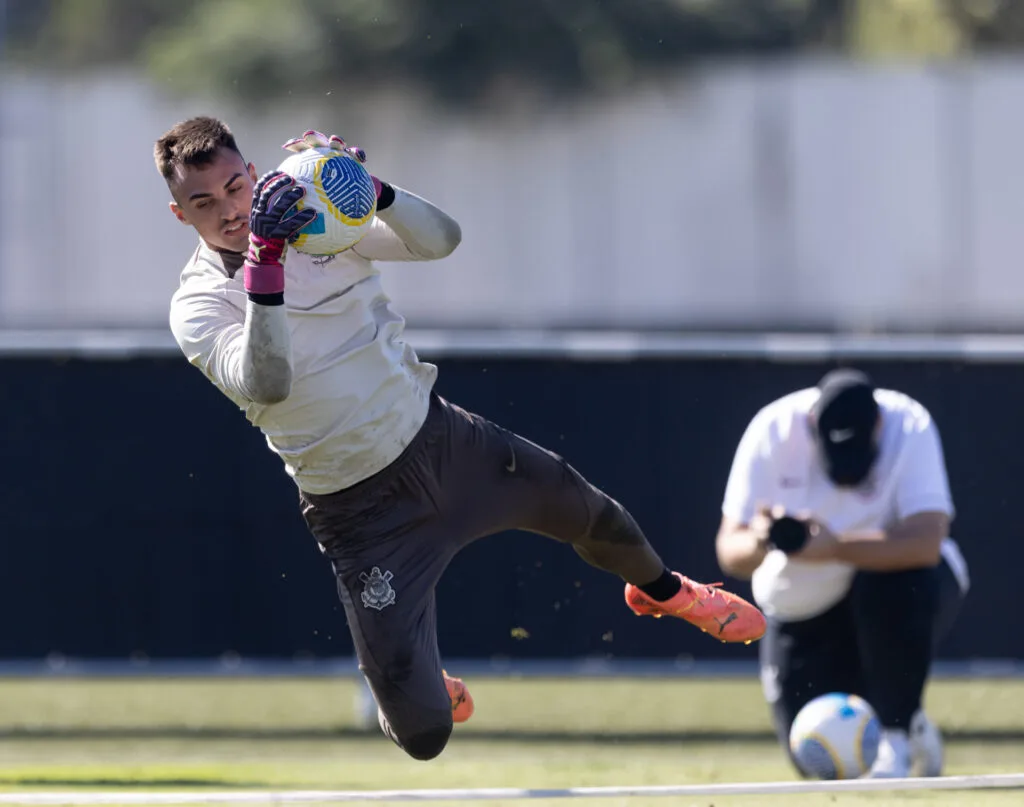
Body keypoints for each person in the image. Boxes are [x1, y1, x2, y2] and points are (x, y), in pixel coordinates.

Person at [155, 117, 766, 762]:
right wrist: (266, 261)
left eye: (234, 186)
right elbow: (270, 383)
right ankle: (419, 680)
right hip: (358, 512)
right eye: (204, 203)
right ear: (179, 214)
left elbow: (442, 241)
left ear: (252, 172)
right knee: (423, 736)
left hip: (442, 441)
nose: (230, 210)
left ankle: (666, 592)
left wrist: (370, 189)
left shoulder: (317, 213)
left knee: (594, 516)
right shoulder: (195, 303)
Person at [715, 368, 970, 779]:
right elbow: (730, 553)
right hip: (801, 601)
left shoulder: (909, 423)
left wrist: (835, 548)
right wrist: (764, 538)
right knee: (814, 757)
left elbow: (926, 541)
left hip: (896, 591)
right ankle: (907, 717)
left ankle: (898, 733)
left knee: (892, 584)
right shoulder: (772, 430)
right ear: (812, 426)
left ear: (879, 426)